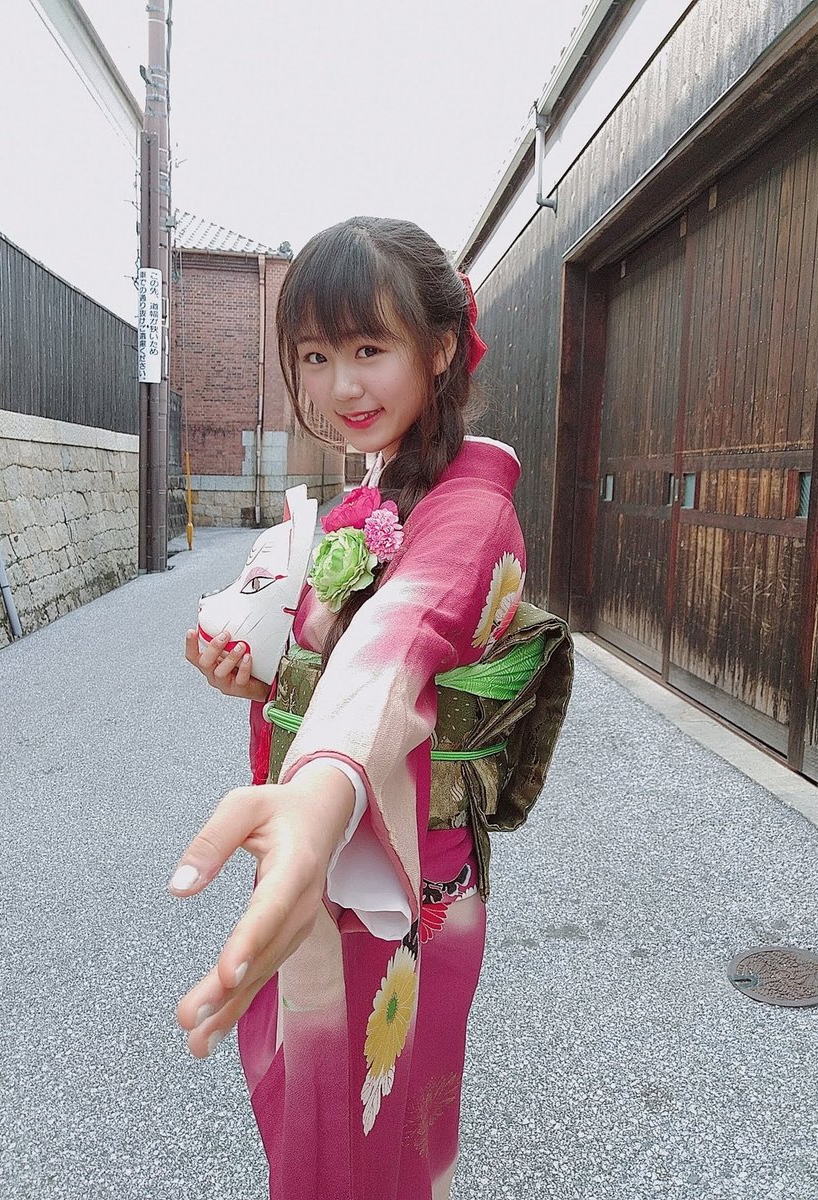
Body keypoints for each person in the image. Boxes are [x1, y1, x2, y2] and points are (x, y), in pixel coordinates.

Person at [174, 215, 526, 1200]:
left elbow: (396, 649)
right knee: (324, 1122)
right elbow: (336, 670)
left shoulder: (471, 512)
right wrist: (260, 679)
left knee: (371, 1142)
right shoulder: (360, 506)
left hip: (402, 883)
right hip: (329, 855)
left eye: (370, 350)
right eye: (316, 356)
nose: (340, 387)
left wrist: (318, 785)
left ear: (441, 347)